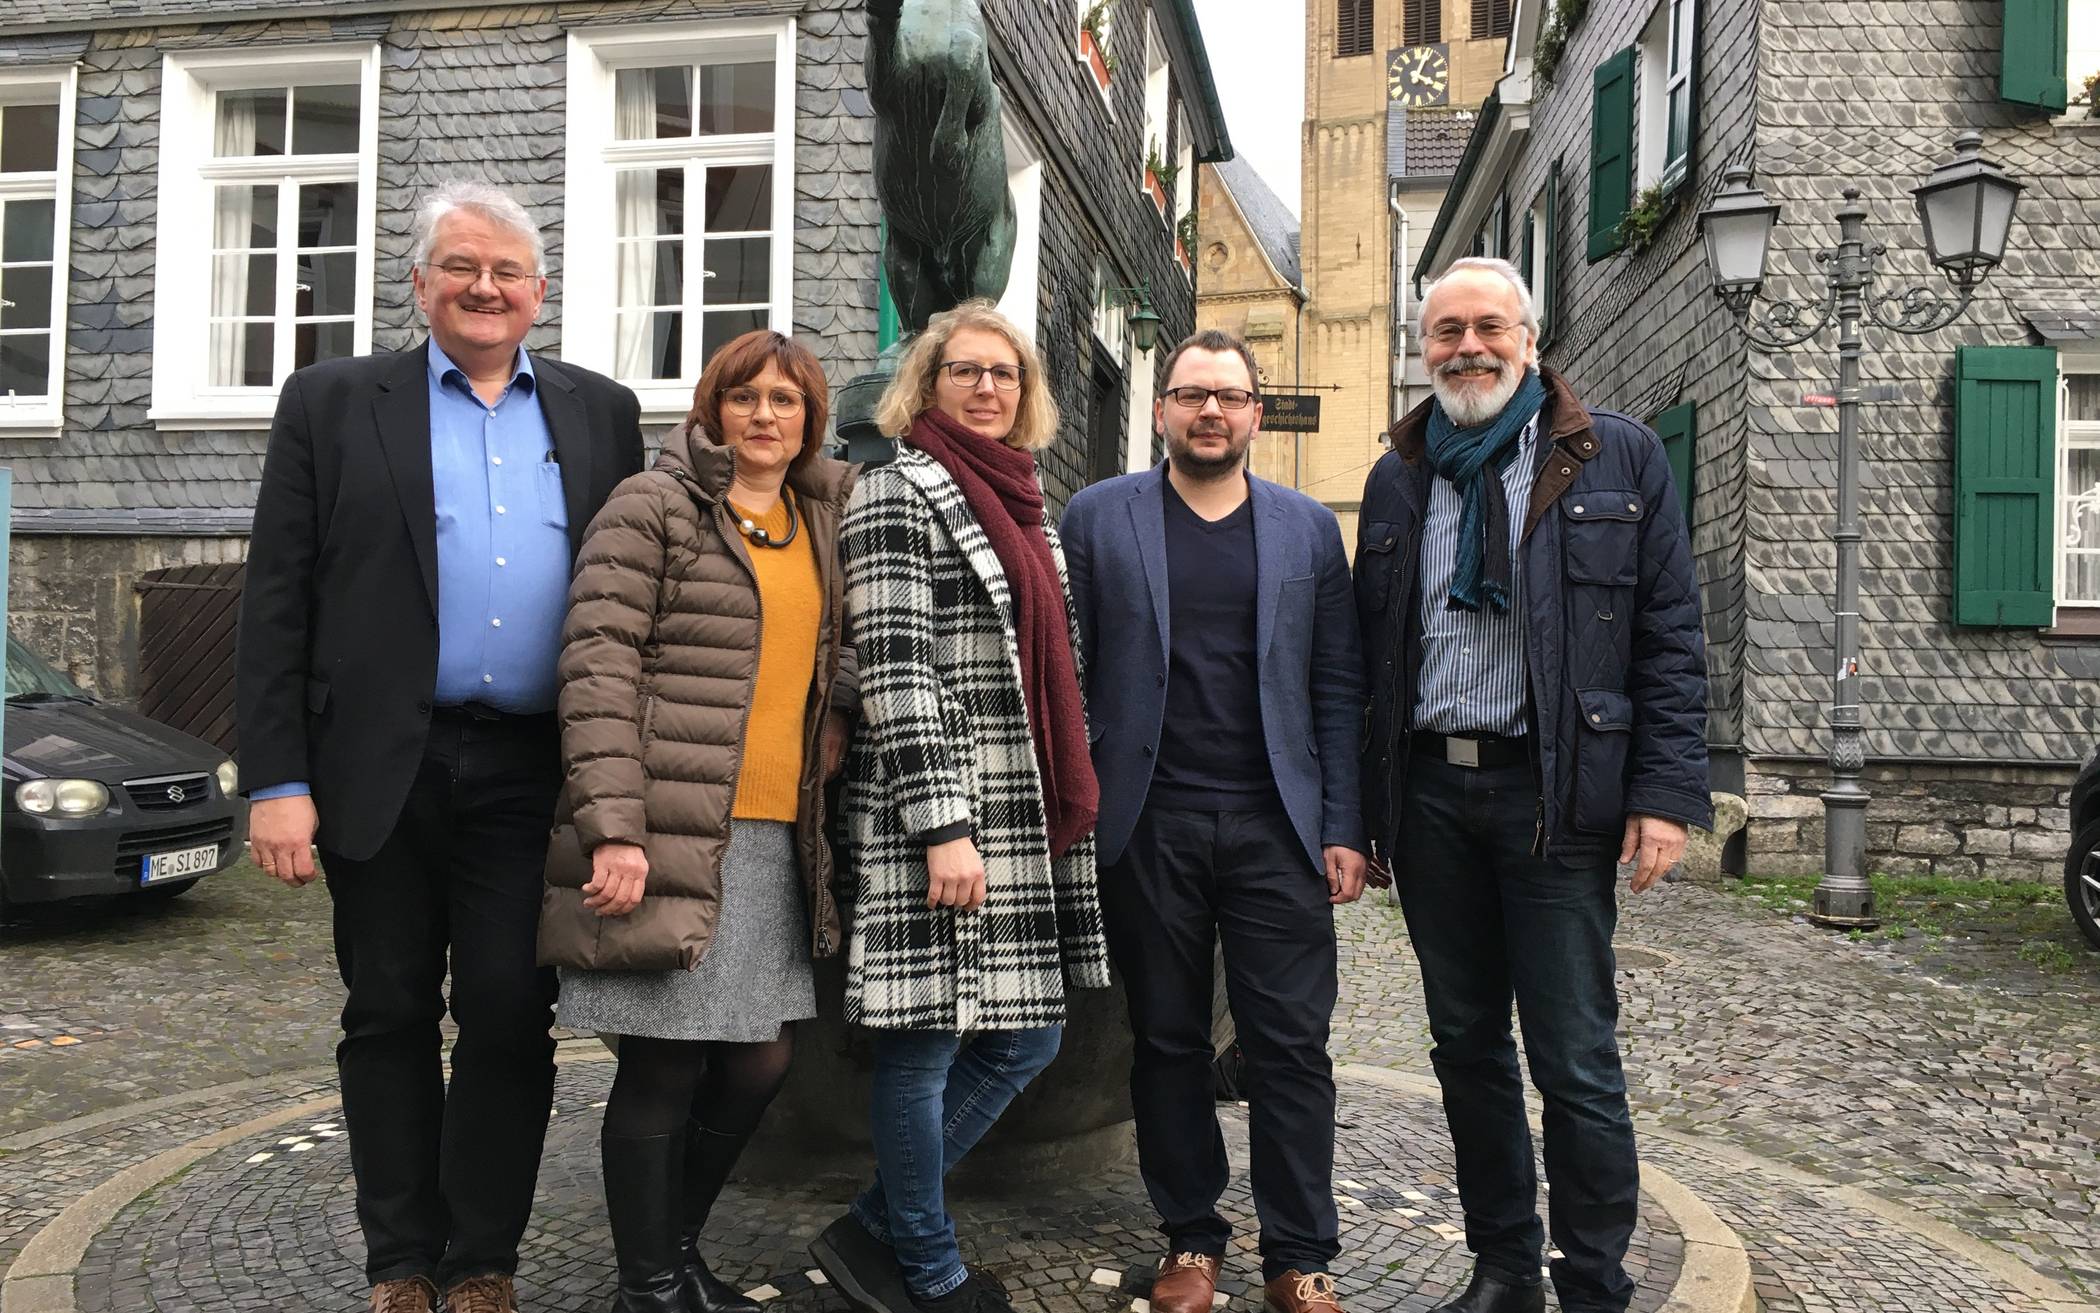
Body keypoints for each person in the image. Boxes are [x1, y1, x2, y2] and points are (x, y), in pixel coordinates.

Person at [237, 180, 645, 1313]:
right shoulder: (330, 401)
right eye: (462, 267)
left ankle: (482, 1257)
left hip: (529, 769)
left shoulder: (601, 413)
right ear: (420, 284)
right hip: (379, 764)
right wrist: (277, 781)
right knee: (389, 1010)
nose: (485, 287)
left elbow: (631, 599)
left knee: (513, 1011)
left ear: (540, 293)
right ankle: (400, 1259)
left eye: (508, 271)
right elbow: (275, 601)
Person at [1352, 257, 1710, 1313]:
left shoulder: (1618, 458)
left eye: (1487, 327)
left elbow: (1670, 638)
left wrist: (1664, 791)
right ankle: (1503, 1266)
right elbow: (1369, 657)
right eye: (1446, 330)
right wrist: (1363, 808)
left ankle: (1593, 1280)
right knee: (1465, 1046)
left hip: (1557, 799)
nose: (1468, 347)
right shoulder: (1397, 474)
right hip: (1429, 796)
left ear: (1531, 337)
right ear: (1423, 346)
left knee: (1576, 1057)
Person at [538, 329, 857, 1313]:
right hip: (671, 823)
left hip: (774, 835)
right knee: (664, 1062)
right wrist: (615, 827)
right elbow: (597, 665)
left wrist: (838, 706)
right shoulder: (654, 506)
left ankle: (670, 1253)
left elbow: (828, 647)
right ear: (713, 407)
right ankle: (651, 1281)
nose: (766, 414)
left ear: (810, 419)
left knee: (762, 1056)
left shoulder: (820, 518)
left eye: (787, 399)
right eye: (746, 395)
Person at [808, 299, 1108, 1313]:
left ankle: (871, 1226)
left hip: (1018, 819)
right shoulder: (897, 492)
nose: (988, 387)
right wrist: (943, 825)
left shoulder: (1028, 504)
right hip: (941, 819)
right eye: (965, 370)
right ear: (925, 385)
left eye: (1005, 373)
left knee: (1029, 1037)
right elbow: (894, 666)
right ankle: (927, 1267)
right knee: (926, 1042)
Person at [1060, 329, 1369, 1313]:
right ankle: (1191, 1237)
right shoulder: (1099, 518)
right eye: (1193, 394)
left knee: (1291, 1045)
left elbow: (1335, 683)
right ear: (1163, 409)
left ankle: (1299, 1254)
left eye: (1230, 397)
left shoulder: (1307, 529)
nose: (1211, 412)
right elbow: (1068, 675)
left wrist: (1344, 824)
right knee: (1166, 1040)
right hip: (1149, 821)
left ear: (1255, 413)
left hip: (1278, 825)